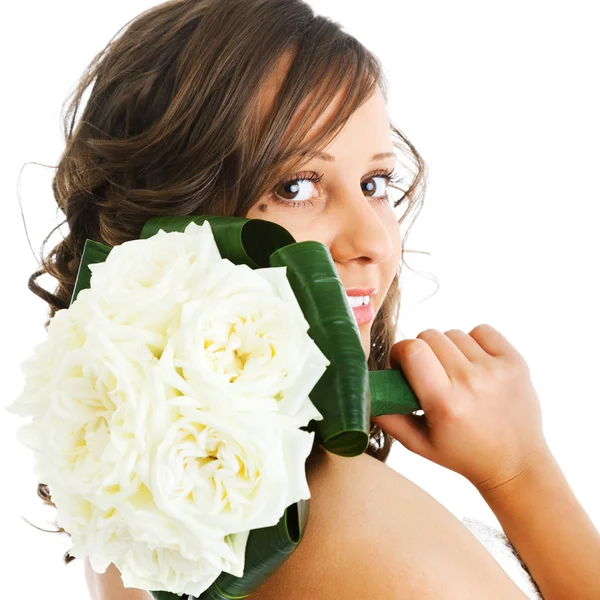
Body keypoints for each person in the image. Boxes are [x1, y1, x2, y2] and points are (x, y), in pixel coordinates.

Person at [24, 0, 600, 598]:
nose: (375, 240)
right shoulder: (349, 534)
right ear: (171, 222)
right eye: (296, 186)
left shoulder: (135, 503)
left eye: (375, 184)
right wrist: (521, 472)